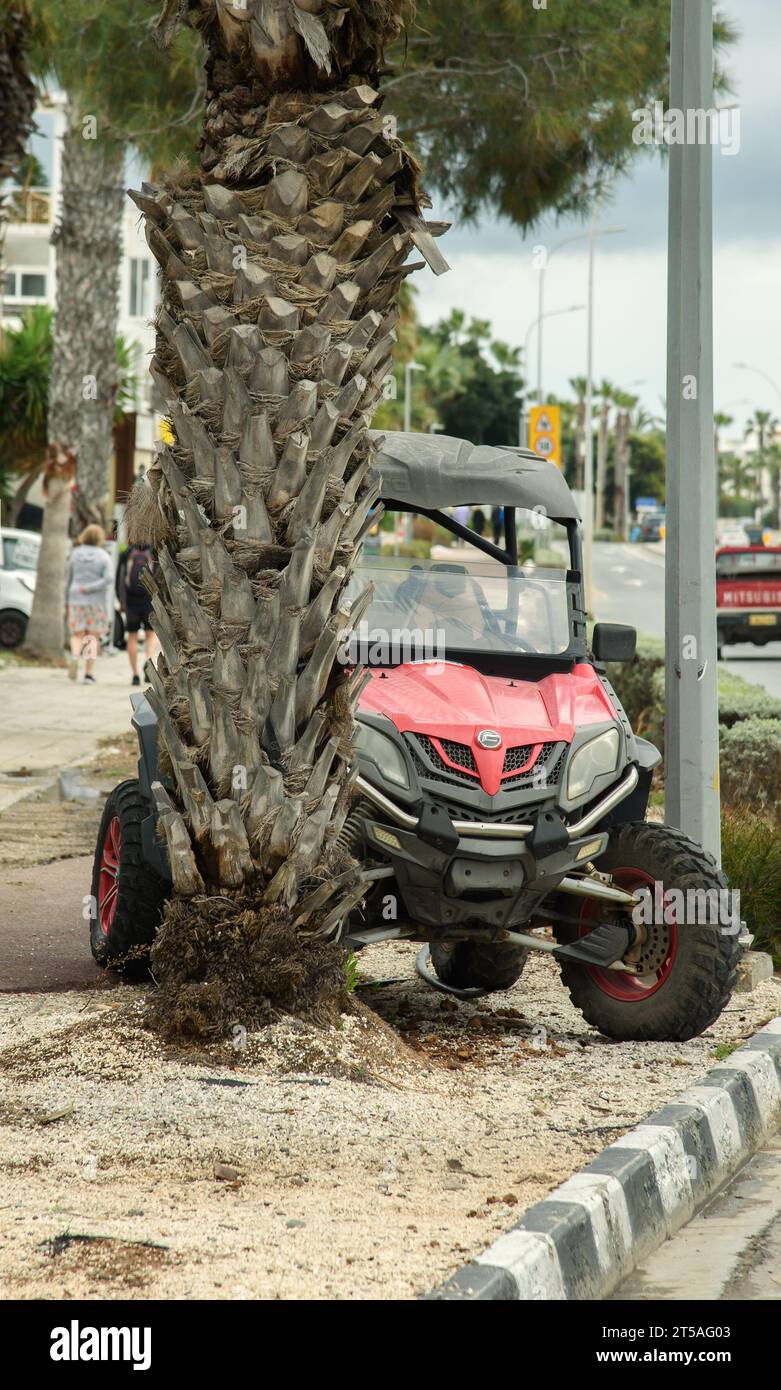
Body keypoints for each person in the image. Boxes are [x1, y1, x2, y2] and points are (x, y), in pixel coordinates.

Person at [66, 525, 115, 684]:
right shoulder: (103, 556)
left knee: (77, 633)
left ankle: (74, 655)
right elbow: (108, 579)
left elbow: (68, 579)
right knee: (91, 637)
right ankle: (88, 674)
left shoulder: (74, 554)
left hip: (75, 599)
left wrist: (67, 600)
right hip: (96, 603)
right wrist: (90, 588)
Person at [116, 541, 158, 686]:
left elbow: (119, 579)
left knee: (132, 636)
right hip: (150, 600)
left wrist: (121, 602)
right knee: (150, 634)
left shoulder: (127, 553)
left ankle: (134, 674)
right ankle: (148, 660)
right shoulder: (154, 552)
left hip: (131, 601)